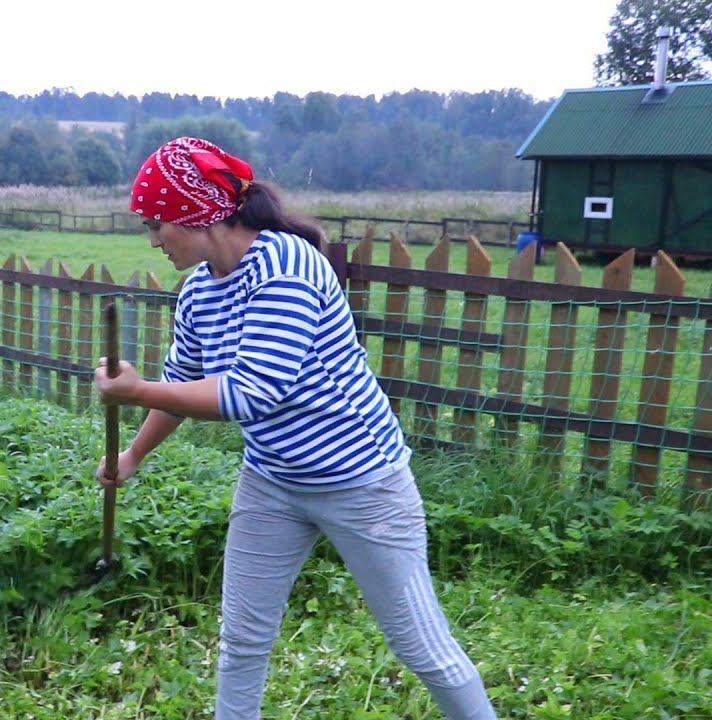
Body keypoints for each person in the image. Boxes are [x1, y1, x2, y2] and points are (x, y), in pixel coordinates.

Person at [93, 137, 497, 720]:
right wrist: (132, 455)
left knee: (420, 646)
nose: (154, 240)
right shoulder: (200, 292)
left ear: (198, 212)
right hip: (272, 483)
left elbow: (253, 390)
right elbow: (181, 385)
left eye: (159, 224)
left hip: (363, 483)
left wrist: (134, 391)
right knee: (242, 642)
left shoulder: (287, 264)